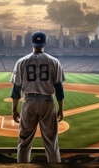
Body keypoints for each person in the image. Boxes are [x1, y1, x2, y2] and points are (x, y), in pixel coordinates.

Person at [10, 31, 65, 163]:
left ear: (31, 43)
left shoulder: (21, 61)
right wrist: (61, 109)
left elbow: (16, 89)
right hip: (47, 101)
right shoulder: (54, 61)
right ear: (45, 43)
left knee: (24, 142)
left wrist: (14, 110)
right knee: (51, 142)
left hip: (29, 101)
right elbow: (59, 89)